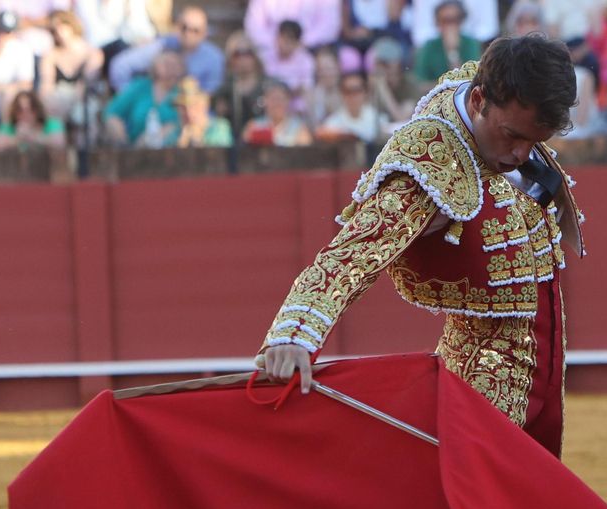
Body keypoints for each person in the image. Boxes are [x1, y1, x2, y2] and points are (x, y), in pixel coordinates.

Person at [256, 35, 585, 458]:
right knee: (480, 485)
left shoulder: (493, 91)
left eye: (535, 140)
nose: (522, 154)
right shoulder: (429, 164)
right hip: (481, 380)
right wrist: (294, 334)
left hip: (544, 364)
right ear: (479, 101)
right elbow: (353, 254)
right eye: (512, 136)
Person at [110, 6, 224, 94]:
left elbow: (209, 94)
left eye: (195, 30)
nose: (188, 33)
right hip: (156, 110)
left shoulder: (214, 57)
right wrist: (131, 100)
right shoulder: (162, 45)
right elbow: (121, 66)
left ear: (205, 32)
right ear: (177, 26)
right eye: (184, 27)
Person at [104, 47, 182, 145]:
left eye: (175, 65)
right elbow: (112, 113)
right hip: (137, 147)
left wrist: (165, 132)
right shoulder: (140, 87)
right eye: (166, 64)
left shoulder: (183, 92)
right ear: (155, 65)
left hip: (174, 149)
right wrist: (123, 142)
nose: (171, 69)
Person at [415, 0, 482, 83]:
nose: (450, 25)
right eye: (444, 20)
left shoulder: (470, 44)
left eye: (454, 20)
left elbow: (472, 79)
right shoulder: (429, 46)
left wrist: (453, 52)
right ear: (437, 22)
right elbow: (421, 81)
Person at [317, 69, 385, 141]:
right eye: (348, 91)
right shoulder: (331, 126)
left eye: (357, 90)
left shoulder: (377, 119)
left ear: (365, 92)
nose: (353, 96)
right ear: (342, 94)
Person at [241, 78, 311, 145]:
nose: (277, 103)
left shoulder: (299, 128)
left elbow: (304, 148)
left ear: (288, 101)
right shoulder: (254, 126)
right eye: (273, 99)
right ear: (265, 101)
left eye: (281, 99)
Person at [166, 74, 232, 144]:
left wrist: (197, 139)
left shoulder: (220, 127)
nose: (188, 112)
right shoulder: (175, 132)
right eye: (183, 108)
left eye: (193, 106)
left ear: (204, 105)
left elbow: (220, 147)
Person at [0, 88, 67, 147]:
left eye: (31, 109)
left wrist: (33, 136)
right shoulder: (8, 126)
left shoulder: (51, 124)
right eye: (20, 110)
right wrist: (17, 138)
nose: (25, 114)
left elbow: (59, 143)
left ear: (38, 110)